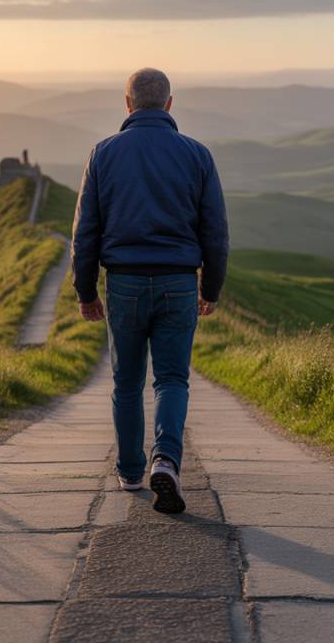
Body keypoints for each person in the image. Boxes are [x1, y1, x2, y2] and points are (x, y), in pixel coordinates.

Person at [71, 67, 229, 514]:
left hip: (124, 283)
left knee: (126, 381)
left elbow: (85, 232)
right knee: (172, 379)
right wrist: (210, 287)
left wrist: (86, 291)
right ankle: (167, 460)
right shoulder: (197, 155)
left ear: (127, 104)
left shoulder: (103, 153)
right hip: (180, 282)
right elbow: (215, 232)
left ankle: (130, 470)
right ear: (170, 104)